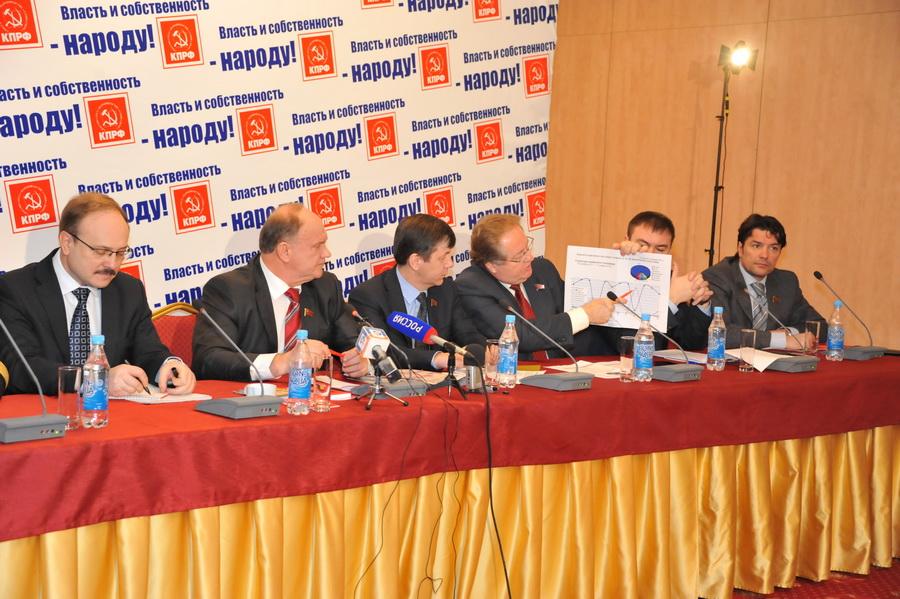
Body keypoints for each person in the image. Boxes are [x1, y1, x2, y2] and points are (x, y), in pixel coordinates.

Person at [0, 192, 196, 395]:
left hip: (111, 412)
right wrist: (95, 380)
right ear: (67, 242)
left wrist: (169, 366)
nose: (112, 264)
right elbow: (21, 366)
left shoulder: (128, 290)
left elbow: (148, 351)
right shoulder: (16, 289)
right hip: (42, 410)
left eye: (120, 253)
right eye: (101, 251)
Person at [192, 203, 368, 381]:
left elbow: (354, 344)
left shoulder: (325, 286)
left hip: (308, 395)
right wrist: (280, 362)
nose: (327, 253)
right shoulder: (229, 290)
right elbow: (208, 360)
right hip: (252, 395)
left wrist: (362, 361)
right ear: (285, 251)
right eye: (318, 246)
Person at [455, 214, 616, 359]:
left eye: (527, 248)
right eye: (520, 255)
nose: (530, 257)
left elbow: (575, 316)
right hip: (515, 376)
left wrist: (628, 264)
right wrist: (585, 315)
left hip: (561, 370)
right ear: (492, 266)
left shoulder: (543, 269)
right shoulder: (472, 286)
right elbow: (520, 335)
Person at [349, 214, 485, 371]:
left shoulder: (446, 289)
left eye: (450, 255)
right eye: (443, 257)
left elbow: (469, 334)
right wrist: (437, 359)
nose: (450, 264)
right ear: (416, 261)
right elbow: (384, 352)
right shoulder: (369, 296)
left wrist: (475, 350)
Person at [703, 214, 825, 349]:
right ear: (740, 248)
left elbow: (820, 326)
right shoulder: (717, 277)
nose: (765, 255)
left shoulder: (786, 282)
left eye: (773, 248)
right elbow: (720, 333)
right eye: (756, 246)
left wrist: (788, 333)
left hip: (776, 361)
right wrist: (780, 340)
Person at [607, 211, 713, 350]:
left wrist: (701, 302)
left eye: (660, 249)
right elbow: (633, 348)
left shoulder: (670, 281)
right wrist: (671, 301)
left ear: (669, 251)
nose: (651, 254)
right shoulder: (609, 276)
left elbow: (690, 344)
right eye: (642, 245)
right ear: (627, 240)